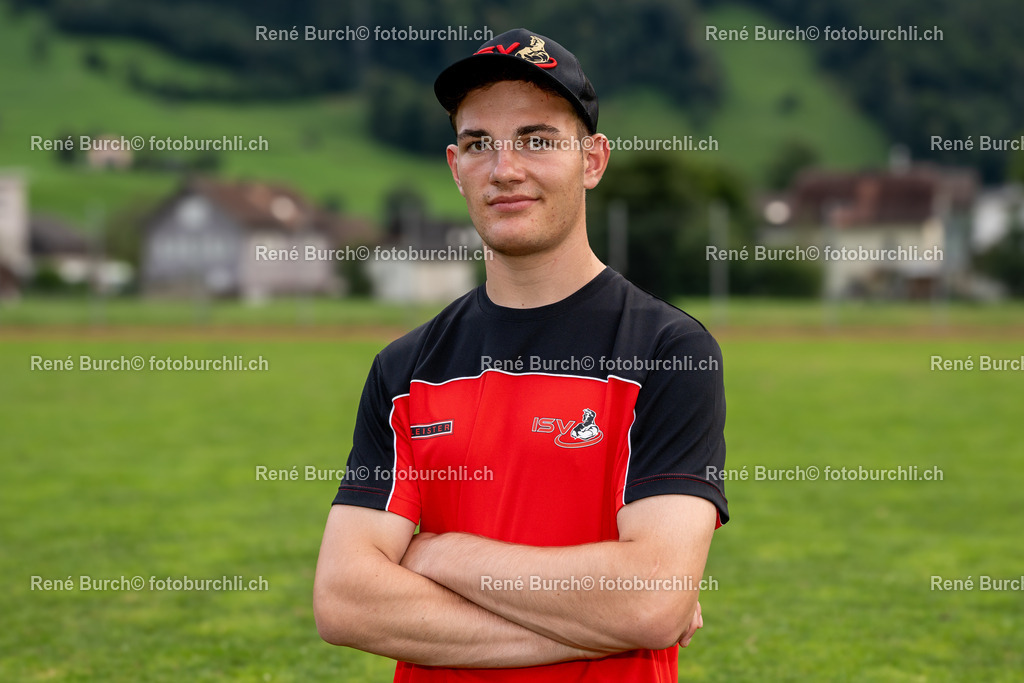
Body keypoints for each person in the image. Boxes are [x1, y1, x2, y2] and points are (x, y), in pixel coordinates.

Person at [314, 28, 729, 682]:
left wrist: (438, 554)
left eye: (537, 140)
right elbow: (343, 601)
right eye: (480, 144)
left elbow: (649, 600)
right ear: (455, 168)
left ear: (592, 160)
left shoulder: (669, 353)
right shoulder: (404, 370)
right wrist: (604, 619)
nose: (505, 169)